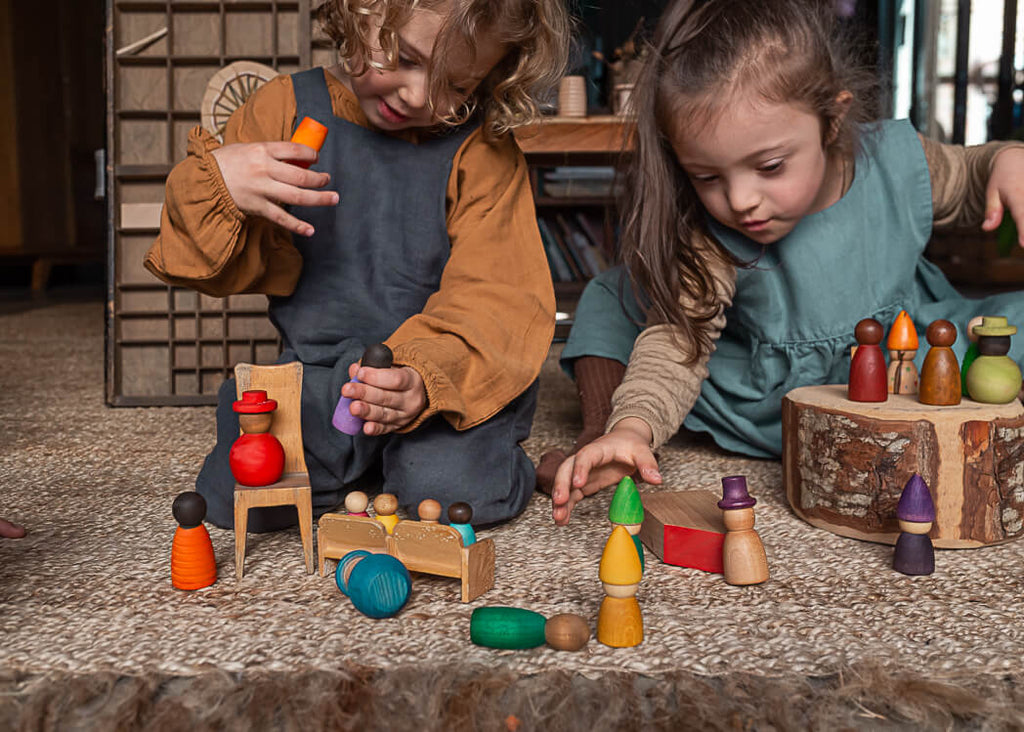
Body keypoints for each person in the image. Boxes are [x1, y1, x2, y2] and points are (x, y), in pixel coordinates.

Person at [547, 0, 1024, 525]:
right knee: (613, 296)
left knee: (1008, 323)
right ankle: (605, 443)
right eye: (707, 177)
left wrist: (1005, 159)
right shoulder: (709, 235)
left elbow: (974, 173)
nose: (741, 199)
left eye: (770, 166)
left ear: (832, 120)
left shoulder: (894, 161)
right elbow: (677, 343)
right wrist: (633, 428)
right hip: (769, 406)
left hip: (904, 373)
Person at [145, 0, 570, 530]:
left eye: (457, 88)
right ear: (360, 11)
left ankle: (444, 453)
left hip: (437, 384)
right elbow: (206, 267)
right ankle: (367, 463)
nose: (419, 96)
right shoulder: (283, 108)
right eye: (405, 57)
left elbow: (499, 295)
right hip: (323, 376)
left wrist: (422, 377)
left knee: (456, 494)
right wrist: (222, 187)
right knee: (244, 490)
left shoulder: (482, 149)